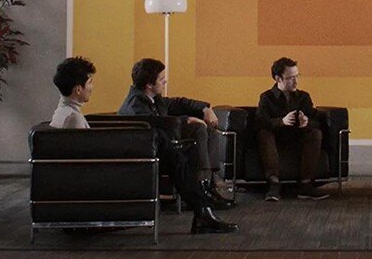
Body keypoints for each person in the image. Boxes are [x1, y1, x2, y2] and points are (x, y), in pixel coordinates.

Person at [48, 56, 238, 234]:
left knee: (166, 146)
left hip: (107, 170)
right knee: (166, 147)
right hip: (110, 174)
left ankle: (202, 207)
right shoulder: (74, 119)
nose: (92, 87)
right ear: (78, 89)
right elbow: (88, 163)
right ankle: (202, 209)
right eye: (90, 82)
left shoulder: (65, 113)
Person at [119, 57, 234, 208]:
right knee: (198, 129)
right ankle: (201, 187)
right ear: (149, 84)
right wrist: (187, 119)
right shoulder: (136, 104)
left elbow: (178, 102)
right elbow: (156, 124)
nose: (165, 82)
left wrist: (205, 108)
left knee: (209, 130)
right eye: (161, 79)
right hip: (151, 150)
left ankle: (208, 183)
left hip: (167, 142)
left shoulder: (154, 99)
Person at [254, 57, 330, 201]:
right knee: (264, 134)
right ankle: (274, 183)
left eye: (297, 76)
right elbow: (260, 121)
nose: (296, 81)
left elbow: (316, 120)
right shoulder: (266, 97)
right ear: (278, 78)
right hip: (276, 138)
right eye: (290, 78)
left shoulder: (303, 97)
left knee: (315, 133)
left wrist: (307, 122)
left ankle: (306, 184)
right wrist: (281, 121)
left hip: (297, 137)